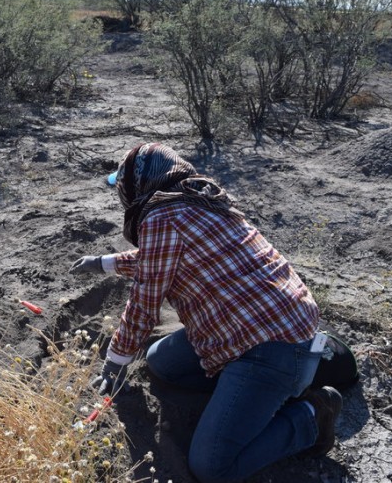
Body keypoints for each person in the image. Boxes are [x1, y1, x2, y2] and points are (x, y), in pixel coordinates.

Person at [70, 142, 343, 483]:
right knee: (161, 361)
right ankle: (246, 395)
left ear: (137, 184)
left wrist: (114, 363)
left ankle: (310, 417)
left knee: (213, 467)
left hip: (272, 345)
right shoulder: (200, 199)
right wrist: (105, 263)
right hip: (268, 321)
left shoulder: (160, 216)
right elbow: (162, 258)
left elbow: (143, 305)